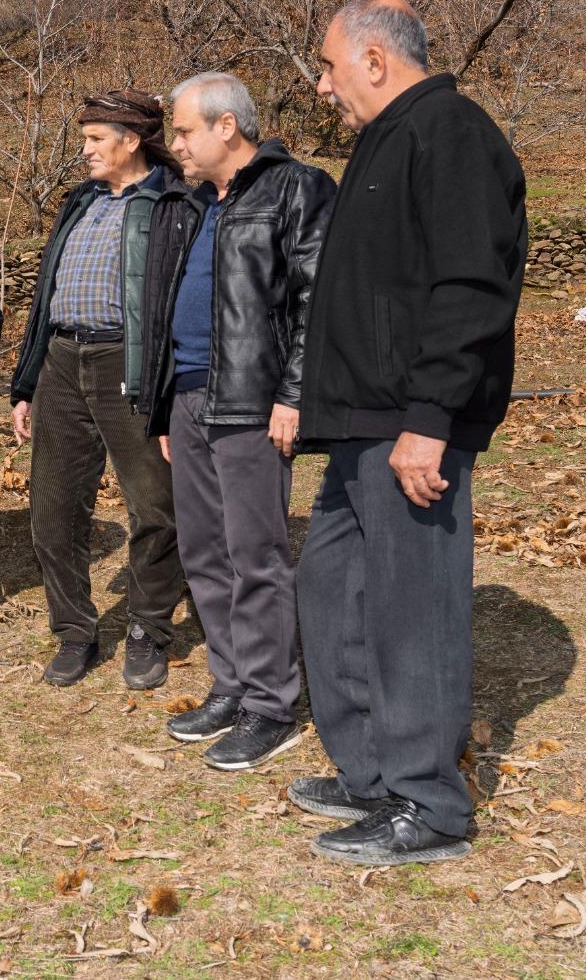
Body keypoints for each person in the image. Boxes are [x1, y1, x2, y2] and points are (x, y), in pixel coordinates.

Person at [291, 0, 527, 865]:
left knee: (409, 611)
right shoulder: (384, 143)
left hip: (408, 421)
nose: (322, 86)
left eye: (329, 66)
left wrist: (430, 419)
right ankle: (373, 776)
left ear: (377, 60)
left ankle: (429, 806)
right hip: (361, 421)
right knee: (333, 594)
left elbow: (471, 285)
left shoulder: (450, 131)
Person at [138, 73, 335, 768]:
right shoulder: (192, 202)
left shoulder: (295, 188)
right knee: (204, 555)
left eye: (185, 130)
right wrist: (166, 403)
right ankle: (232, 683)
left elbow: (318, 298)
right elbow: (169, 305)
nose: (176, 145)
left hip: (253, 401)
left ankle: (270, 705)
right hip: (189, 398)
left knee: (255, 556)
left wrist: (295, 394)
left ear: (228, 127)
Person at [10, 90, 185, 689]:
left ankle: (148, 630)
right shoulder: (78, 202)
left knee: (155, 506)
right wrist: (27, 381)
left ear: (131, 141)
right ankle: (74, 632)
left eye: (94, 139)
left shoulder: (170, 203)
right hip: (62, 361)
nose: (83, 150)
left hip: (128, 364)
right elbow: (43, 301)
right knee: (53, 510)